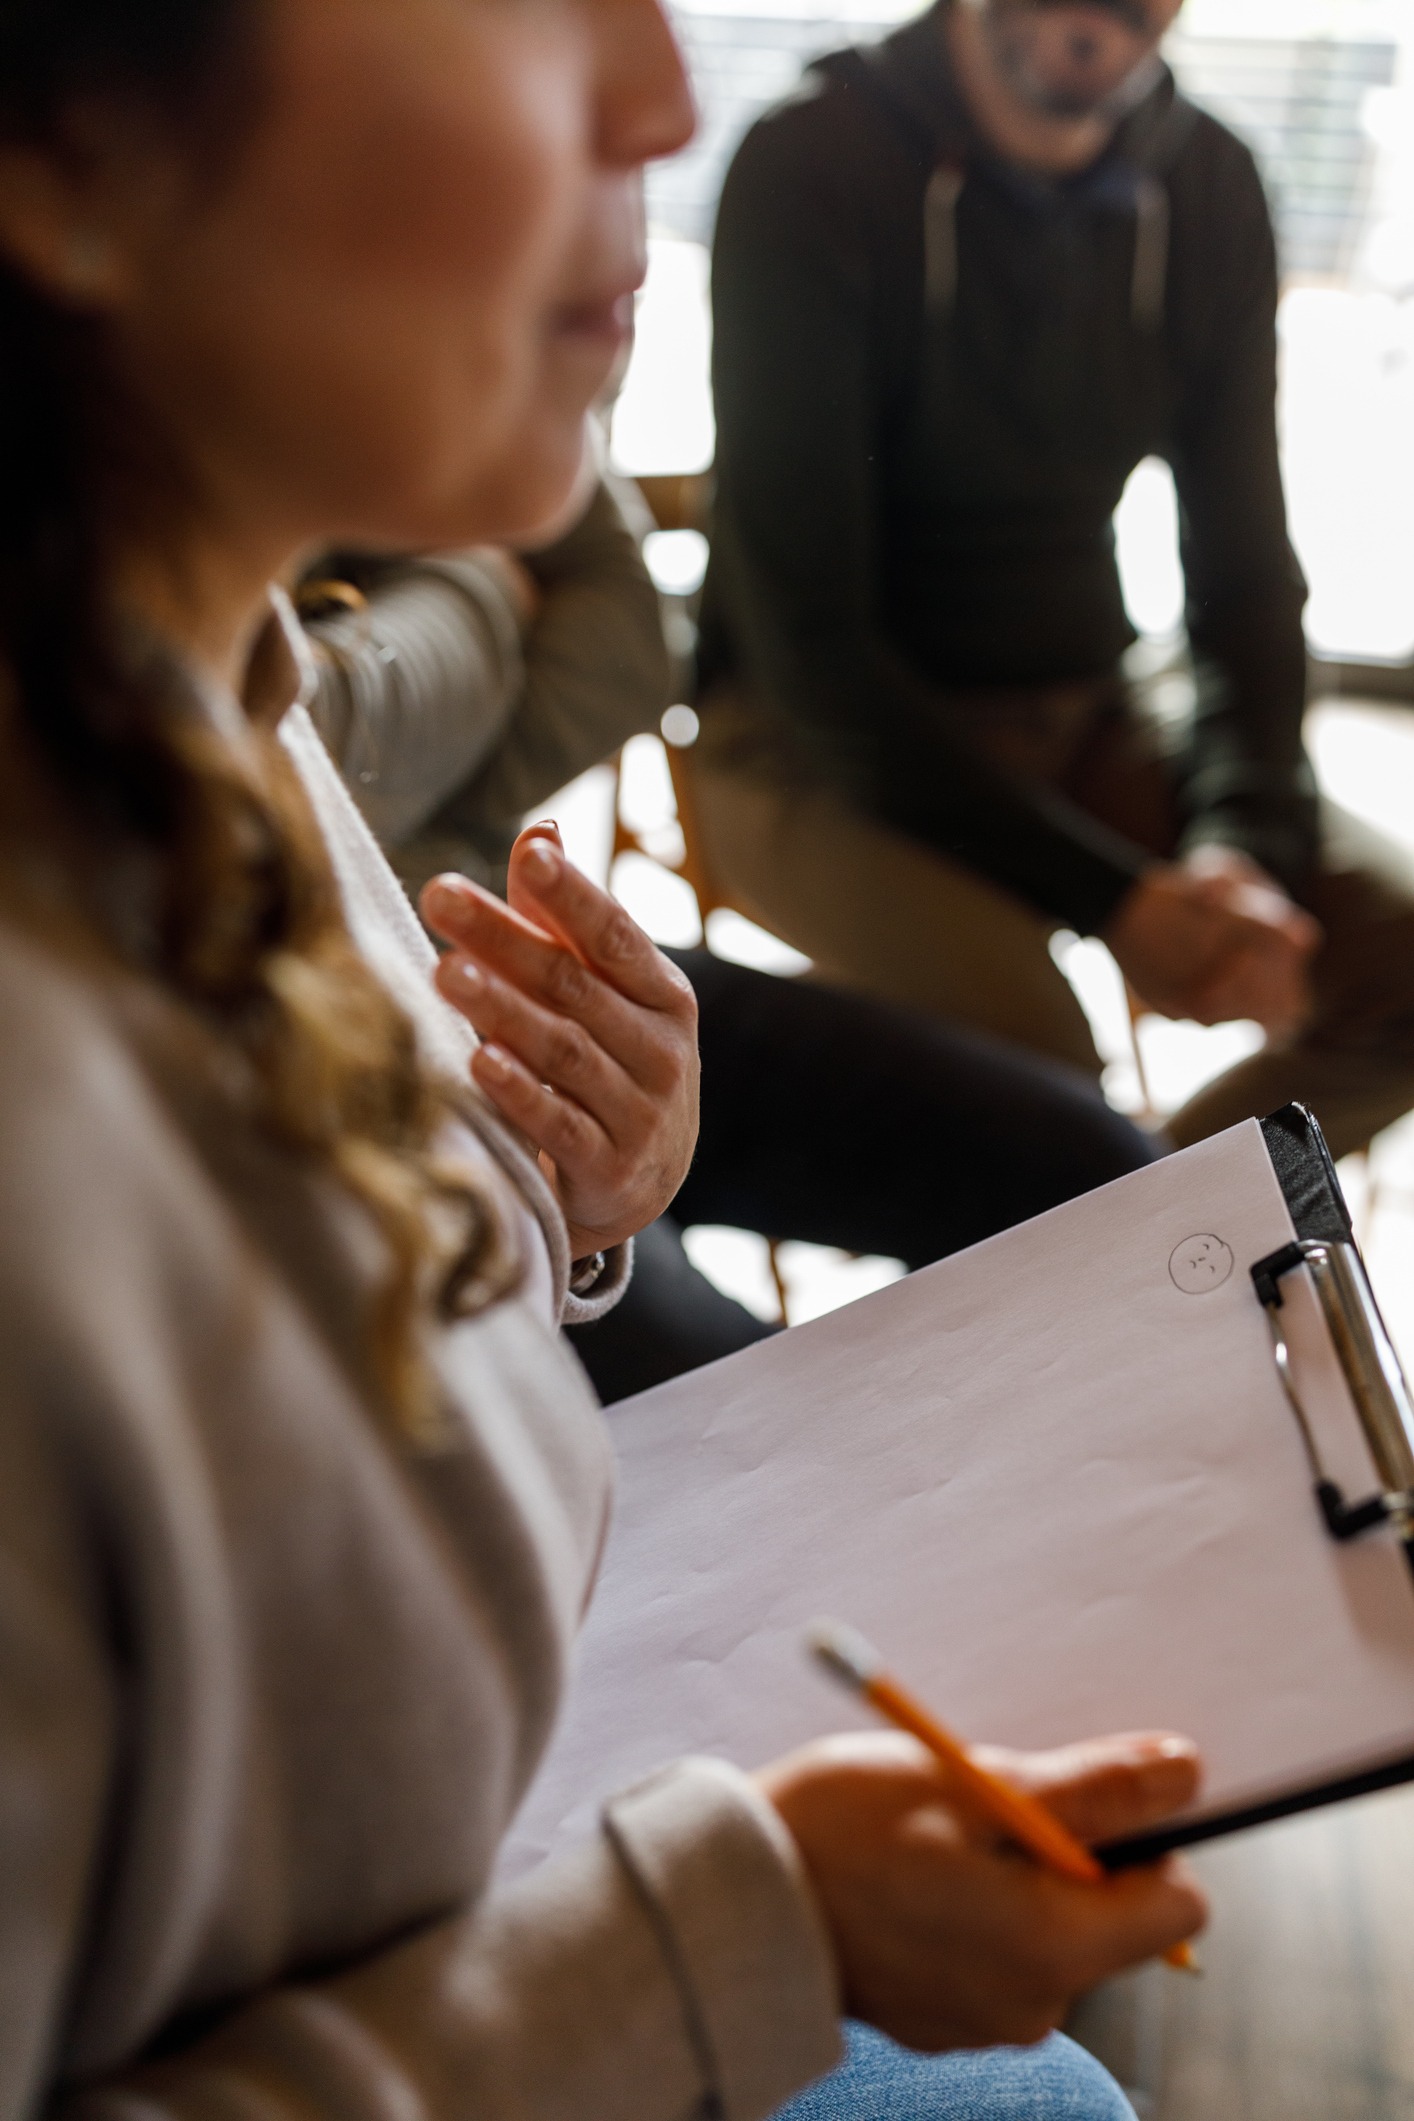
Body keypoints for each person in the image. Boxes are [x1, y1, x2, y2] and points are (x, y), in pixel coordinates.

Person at [0, 5, 1211, 2121]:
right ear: (58, 145)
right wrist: (748, 1935)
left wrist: (548, 1202)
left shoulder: (231, 701)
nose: (664, 96)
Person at [695, 0, 1414, 1162]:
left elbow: (1241, 570)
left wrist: (1243, 857)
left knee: (1400, 968)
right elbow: (809, 643)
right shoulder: (811, 159)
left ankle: (1138, 1241)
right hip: (804, 739)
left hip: (1083, 698)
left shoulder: (1208, 179)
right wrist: (1117, 901)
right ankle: (1113, 1237)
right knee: (1040, 1083)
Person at [302, 499, 1163, 1405]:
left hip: (512, 973)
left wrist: (403, 758)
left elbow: (629, 642)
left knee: (1113, 1173)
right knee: (779, 1426)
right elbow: (292, 737)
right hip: (360, 1094)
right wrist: (484, 584)